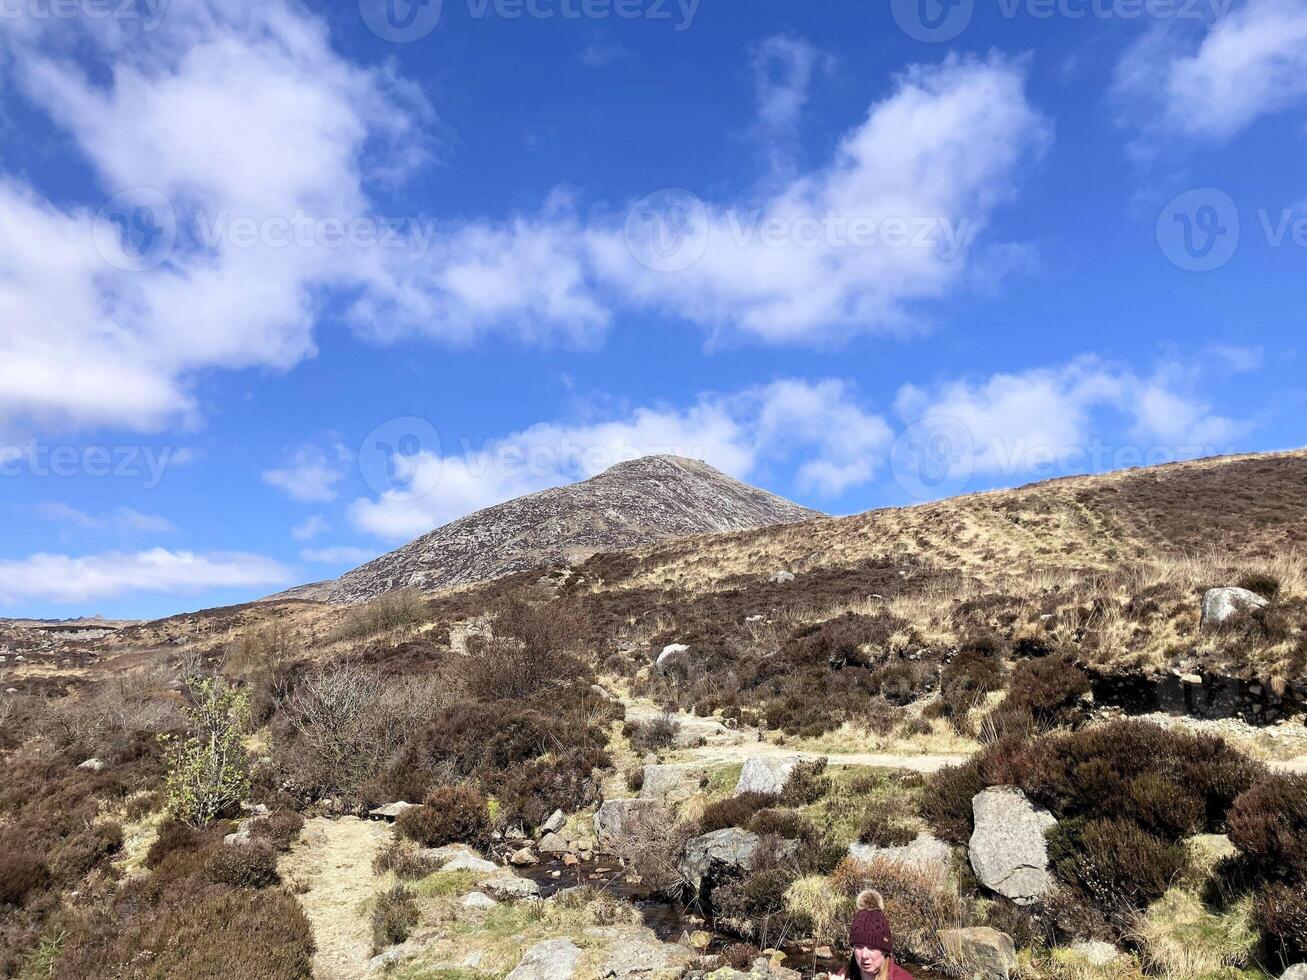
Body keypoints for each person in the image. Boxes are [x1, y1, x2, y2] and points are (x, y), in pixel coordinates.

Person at [837, 890, 915, 980]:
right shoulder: (845, 974)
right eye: (859, 946)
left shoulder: (902, 978)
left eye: (872, 948)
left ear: (885, 951)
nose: (864, 955)